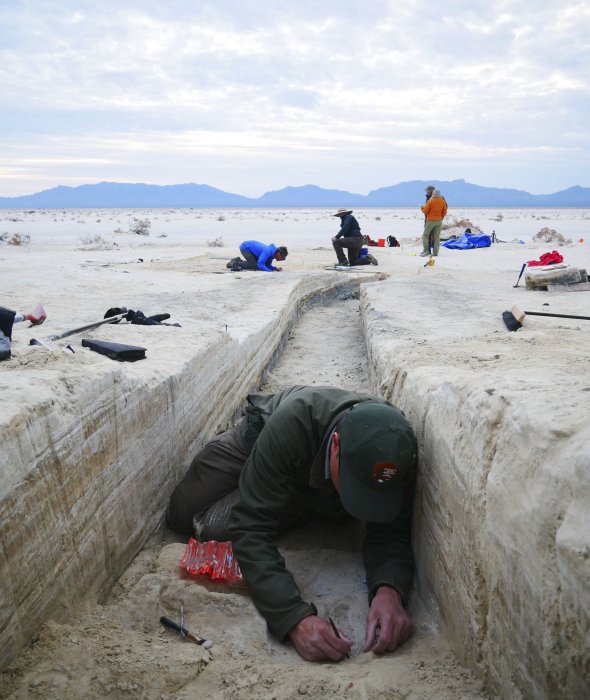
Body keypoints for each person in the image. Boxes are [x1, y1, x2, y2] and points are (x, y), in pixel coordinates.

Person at [167, 385, 417, 662]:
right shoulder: (295, 421)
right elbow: (250, 526)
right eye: (353, 487)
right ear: (335, 446)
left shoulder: (397, 453)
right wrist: (293, 618)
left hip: (305, 482)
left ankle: (288, 496)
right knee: (182, 513)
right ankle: (265, 483)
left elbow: (392, 529)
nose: (362, 503)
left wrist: (389, 589)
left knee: (215, 529)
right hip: (261, 439)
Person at [420, 189, 448, 257]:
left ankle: (426, 251)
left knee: (425, 235)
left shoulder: (431, 201)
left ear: (433, 194)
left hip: (430, 221)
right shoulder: (442, 201)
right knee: (436, 237)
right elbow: (445, 211)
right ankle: (435, 252)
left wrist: (421, 208)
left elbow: (425, 211)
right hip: (439, 221)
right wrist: (441, 217)